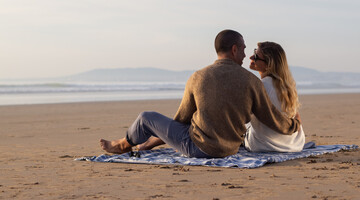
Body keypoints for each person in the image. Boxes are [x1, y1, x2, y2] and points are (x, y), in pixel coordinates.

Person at [100, 30, 301, 158]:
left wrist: (157, 138)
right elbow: (271, 118)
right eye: (243, 49)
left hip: (198, 148)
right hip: (229, 149)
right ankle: (137, 143)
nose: (244, 54)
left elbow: (181, 120)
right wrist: (294, 125)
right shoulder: (252, 81)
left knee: (146, 118)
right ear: (233, 50)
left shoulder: (198, 77)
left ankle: (124, 144)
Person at [244, 42, 305, 152]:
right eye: (254, 52)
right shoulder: (287, 86)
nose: (251, 57)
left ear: (269, 65)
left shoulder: (258, 86)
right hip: (294, 144)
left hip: (264, 146)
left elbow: (243, 117)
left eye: (256, 56)